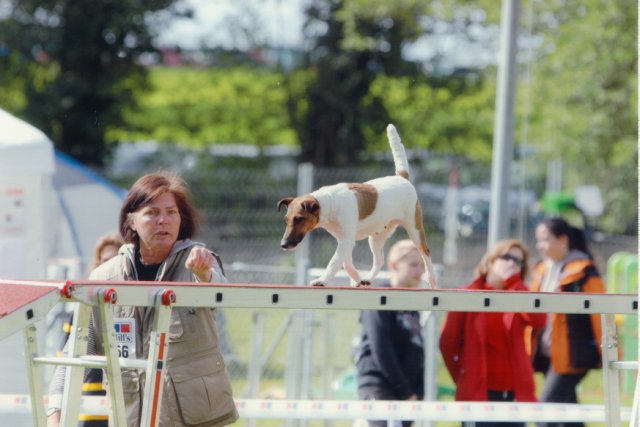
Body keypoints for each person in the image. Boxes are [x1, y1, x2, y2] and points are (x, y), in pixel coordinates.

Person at [47, 172, 239, 427]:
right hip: (130, 418)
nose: (164, 220)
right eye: (152, 212)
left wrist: (205, 274)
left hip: (196, 420)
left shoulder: (200, 262)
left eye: (172, 212)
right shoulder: (104, 276)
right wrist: (56, 410)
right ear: (132, 221)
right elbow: (77, 351)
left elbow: (221, 295)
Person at [439, 239, 547, 427]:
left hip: (514, 394)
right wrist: (464, 376)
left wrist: (515, 283)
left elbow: (539, 320)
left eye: (518, 261)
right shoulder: (467, 293)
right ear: (490, 260)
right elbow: (447, 343)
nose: (512, 263)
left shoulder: (519, 294)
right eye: (506, 257)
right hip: (479, 394)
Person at [530, 217, 605, 427]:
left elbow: (600, 316)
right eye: (538, 240)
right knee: (569, 415)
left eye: (544, 239)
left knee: (545, 413)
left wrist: (608, 352)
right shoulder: (541, 270)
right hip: (546, 353)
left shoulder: (585, 272)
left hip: (573, 355)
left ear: (562, 240)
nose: (539, 245)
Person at [53, 232, 124, 427]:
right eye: (104, 260)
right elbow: (64, 360)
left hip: (125, 402)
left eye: (115, 260)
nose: (108, 267)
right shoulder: (81, 309)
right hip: (89, 404)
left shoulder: (133, 309)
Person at [354, 239, 426, 427]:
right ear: (394, 265)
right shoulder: (379, 297)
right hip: (380, 387)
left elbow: (417, 348)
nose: (420, 271)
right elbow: (381, 348)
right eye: (413, 265)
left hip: (407, 393)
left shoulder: (411, 305)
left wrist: (419, 391)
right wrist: (405, 391)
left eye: (422, 265)